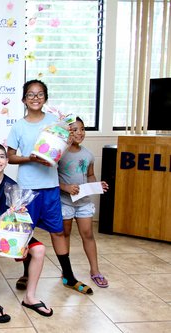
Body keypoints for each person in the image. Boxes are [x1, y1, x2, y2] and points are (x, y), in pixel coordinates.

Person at [7, 79, 93, 295]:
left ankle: (68, 276)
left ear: (45, 97)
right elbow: (10, 157)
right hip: (27, 189)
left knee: (58, 232)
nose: (35, 98)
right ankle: (27, 273)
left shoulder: (56, 122)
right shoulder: (18, 126)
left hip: (51, 187)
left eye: (40, 94)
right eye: (30, 94)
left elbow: (65, 148)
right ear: (24, 99)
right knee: (26, 232)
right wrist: (32, 159)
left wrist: (56, 154)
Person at [0, 143, 52, 322]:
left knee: (39, 250)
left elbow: (18, 219)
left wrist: (22, 243)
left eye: (1, 156)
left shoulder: (12, 185)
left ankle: (30, 297)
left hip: (7, 231)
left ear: (7, 161)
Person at [58, 117, 109, 288]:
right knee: (65, 233)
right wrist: (65, 187)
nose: (79, 133)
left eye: (82, 129)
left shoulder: (88, 154)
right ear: (67, 132)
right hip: (64, 201)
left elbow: (90, 175)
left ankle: (95, 271)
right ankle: (67, 271)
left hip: (84, 202)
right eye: (74, 130)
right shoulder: (59, 153)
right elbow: (50, 178)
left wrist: (97, 185)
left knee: (87, 234)